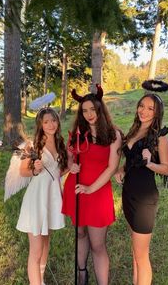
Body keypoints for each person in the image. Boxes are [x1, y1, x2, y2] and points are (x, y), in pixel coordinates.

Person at [62, 84, 122, 285]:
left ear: (100, 109)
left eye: (93, 109)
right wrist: (72, 166)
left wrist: (90, 188)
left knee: (98, 244)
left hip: (97, 192)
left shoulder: (113, 134)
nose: (89, 114)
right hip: (76, 189)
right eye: (84, 110)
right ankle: (81, 273)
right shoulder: (78, 133)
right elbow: (70, 158)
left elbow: (112, 167)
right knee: (80, 233)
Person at [115, 88, 168, 285]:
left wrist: (149, 163)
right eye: (141, 106)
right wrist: (121, 169)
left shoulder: (159, 137)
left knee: (141, 255)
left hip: (144, 199)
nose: (144, 111)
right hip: (128, 193)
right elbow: (131, 160)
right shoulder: (134, 131)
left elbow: (166, 169)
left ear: (157, 113)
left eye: (150, 108)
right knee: (135, 251)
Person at [16, 107, 68, 285]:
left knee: (46, 243)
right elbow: (23, 172)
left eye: (53, 120)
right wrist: (35, 169)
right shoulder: (33, 145)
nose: (51, 124)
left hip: (52, 198)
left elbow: (57, 172)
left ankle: (41, 278)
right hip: (37, 200)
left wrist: (71, 168)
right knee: (36, 250)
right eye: (46, 122)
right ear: (40, 124)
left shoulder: (61, 143)